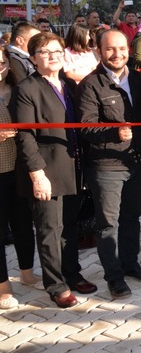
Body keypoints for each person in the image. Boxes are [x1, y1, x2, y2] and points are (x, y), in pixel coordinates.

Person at [77, 30, 141, 299]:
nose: (117, 54)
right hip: (106, 166)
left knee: (132, 217)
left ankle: (130, 264)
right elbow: (85, 127)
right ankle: (114, 277)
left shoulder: (135, 78)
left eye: (122, 48)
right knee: (107, 224)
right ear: (98, 51)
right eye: (110, 49)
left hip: (135, 162)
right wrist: (114, 131)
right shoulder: (90, 85)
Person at [10, 32, 85, 308]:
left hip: (71, 166)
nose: (52, 56)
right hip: (45, 170)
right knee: (49, 229)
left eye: (56, 50)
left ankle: (72, 272)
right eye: (44, 52)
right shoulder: (27, 89)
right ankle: (55, 285)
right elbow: (25, 135)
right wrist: (37, 174)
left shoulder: (67, 85)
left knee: (70, 225)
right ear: (33, 58)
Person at [0, 48, 40, 310]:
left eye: (2, 61)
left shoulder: (18, 90)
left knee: (24, 224)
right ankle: (3, 286)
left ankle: (26, 271)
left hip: (21, 169)